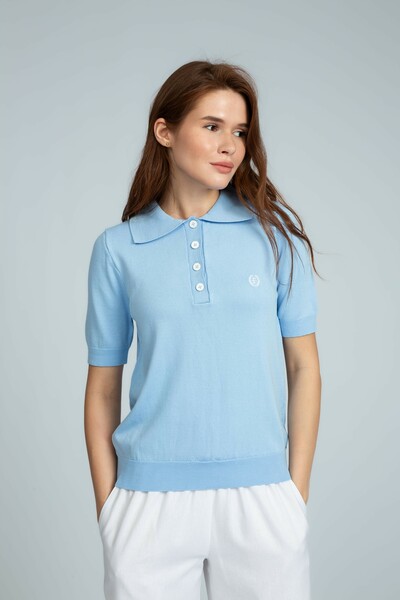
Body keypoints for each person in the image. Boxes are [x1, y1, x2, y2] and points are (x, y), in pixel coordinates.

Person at [84, 59, 322, 600]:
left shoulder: (276, 239)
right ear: (164, 132)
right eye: (212, 126)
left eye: (239, 132)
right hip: (148, 503)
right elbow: (102, 387)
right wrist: (110, 507)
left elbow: (304, 367)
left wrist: (293, 492)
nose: (229, 146)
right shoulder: (118, 249)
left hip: (262, 497)